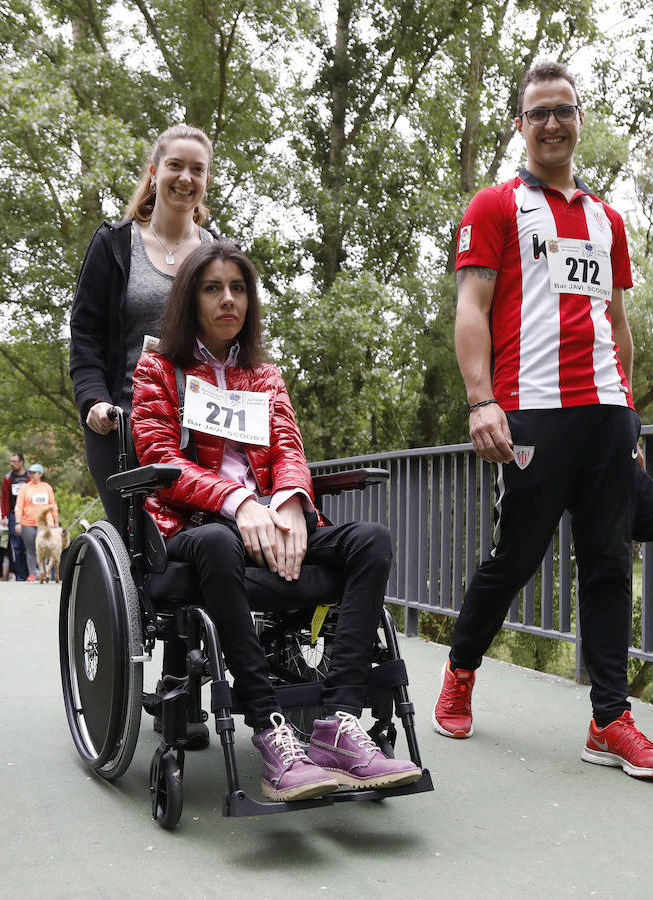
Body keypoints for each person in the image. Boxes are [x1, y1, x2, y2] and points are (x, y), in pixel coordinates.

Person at [432, 61, 653, 780]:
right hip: (532, 411)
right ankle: (460, 667)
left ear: (579, 120)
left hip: (605, 415)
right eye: (536, 112)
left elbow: (617, 325)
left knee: (608, 564)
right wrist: (481, 401)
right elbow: (470, 311)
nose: (550, 123)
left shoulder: (606, 219)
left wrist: (629, 420)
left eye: (562, 110)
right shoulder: (494, 206)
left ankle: (609, 721)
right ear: (520, 124)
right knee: (515, 557)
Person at [131, 239, 421, 801]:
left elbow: (288, 445)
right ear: (191, 298)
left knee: (371, 542)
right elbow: (161, 459)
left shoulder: (263, 373)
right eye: (212, 288)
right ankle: (268, 728)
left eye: (237, 289)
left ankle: (337, 722)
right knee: (218, 541)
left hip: (271, 521)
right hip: (195, 530)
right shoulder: (158, 369)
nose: (227, 300)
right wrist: (238, 505)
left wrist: (288, 499)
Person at [70, 124, 219, 527]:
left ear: (206, 179)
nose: (185, 178)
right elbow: (85, 335)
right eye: (175, 165)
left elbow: (231, 340)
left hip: (202, 428)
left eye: (197, 170)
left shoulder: (216, 254)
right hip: (124, 424)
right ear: (154, 171)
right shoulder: (114, 244)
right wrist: (93, 402)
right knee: (146, 547)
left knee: (208, 545)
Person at [14, 464, 58, 582]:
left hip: (45, 523)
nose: (32, 475)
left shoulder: (47, 487)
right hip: (27, 522)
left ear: (40, 474)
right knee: (31, 549)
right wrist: (17, 523)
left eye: (34, 472)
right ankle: (32, 574)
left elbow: (53, 505)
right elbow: (19, 506)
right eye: (31, 472)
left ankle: (47, 573)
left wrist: (55, 521)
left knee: (47, 548)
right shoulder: (25, 488)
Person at [0, 452, 30, 580]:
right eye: (10, 461)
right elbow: (4, 498)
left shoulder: (30, 477)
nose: (12, 464)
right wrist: (4, 516)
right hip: (13, 516)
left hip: (29, 516)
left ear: (21, 462)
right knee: (17, 547)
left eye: (14, 461)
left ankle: (32, 573)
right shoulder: (7, 478)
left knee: (29, 546)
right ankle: (21, 576)